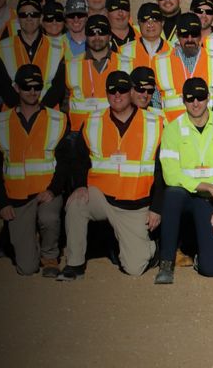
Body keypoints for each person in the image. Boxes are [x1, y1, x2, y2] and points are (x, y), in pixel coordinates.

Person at [61, 68, 162, 281]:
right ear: (106, 93)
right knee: (76, 203)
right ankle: (74, 263)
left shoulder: (155, 123)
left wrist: (157, 207)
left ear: (131, 92)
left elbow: (162, 171)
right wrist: (79, 184)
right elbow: (78, 159)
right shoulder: (93, 121)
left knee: (134, 268)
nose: (117, 95)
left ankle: (150, 249)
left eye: (123, 90)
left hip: (134, 205)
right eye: (112, 90)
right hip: (100, 197)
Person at [151, 77, 213, 283]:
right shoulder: (173, 129)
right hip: (185, 195)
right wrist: (206, 185)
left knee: (212, 270)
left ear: (208, 98)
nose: (196, 103)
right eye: (190, 98)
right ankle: (166, 262)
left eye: (200, 97)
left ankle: (198, 254)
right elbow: (171, 175)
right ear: (183, 100)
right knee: (172, 194)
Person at [0, 65, 66, 278]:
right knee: (27, 268)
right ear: (16, 88)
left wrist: (53, 189)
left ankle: (50, 254)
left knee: (49, 218)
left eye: (37, 87)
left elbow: (64, 162)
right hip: (16, 198)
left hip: (46, 192)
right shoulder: (0, 122)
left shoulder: (57, 119)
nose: (32, 92)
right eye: (26, 87)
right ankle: (28, 239)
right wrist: (2, 203)